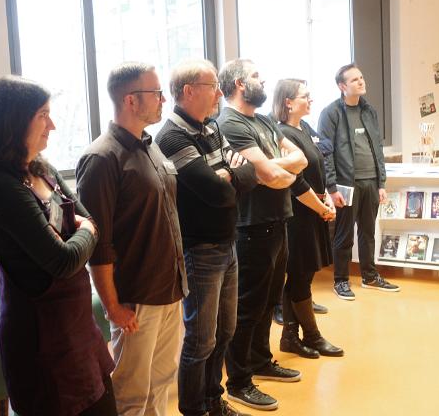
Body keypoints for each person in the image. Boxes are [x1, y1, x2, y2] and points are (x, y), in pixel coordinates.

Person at [0, 75, 115, 415]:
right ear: (14, 121)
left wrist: (85, 230)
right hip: (42, 340)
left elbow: (89, 221)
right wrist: (86, 231)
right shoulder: (1, 185)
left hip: (78, 329)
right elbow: (62, 260)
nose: (52, 125)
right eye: (43, 115)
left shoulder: (40, 167)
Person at [76, 62, 187, 416]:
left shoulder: (150, 147)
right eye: (156, 93)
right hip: (136, 299)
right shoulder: (101, 158)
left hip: (169, 289)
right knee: (131, 392)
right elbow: (99, 243)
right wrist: (112, 306)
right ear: (130, 100)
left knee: (161, 382)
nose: (163, 100)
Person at [155, 59, 257, 416]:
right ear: (189, 91)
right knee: (200, 340)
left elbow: (250, 174)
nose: (218, 94)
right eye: (212, 86)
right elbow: (216, 193)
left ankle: (214, 401)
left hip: (227, 243)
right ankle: (194, 409)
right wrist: (229, 174)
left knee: (225, 332)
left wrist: (229, 175)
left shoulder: (211, 127)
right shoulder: (171, 137)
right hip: (200, 250)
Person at [217, 59, 303, 412]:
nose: (262, 80)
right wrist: (275, 170)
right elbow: (270, 174)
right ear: (239, 83)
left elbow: (299, 160)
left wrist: (273, 169)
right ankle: (239, 382)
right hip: (250, 227)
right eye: (255, 76)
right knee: (247, 307)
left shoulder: (264, 120)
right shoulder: (230, 123)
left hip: (278, 221)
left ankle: (261, 361)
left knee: (269, 301)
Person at [271, 78, 344, 359]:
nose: (310, 99)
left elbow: (321, 162)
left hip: (314, 208)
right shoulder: (282, 133)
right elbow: (295, 181)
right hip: (299, 213)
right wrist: (320, 207)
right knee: (299, 275)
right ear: (288, 102)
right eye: (305, 96)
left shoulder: (305, 128)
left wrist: (326, 199)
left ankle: (291, 336)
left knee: (303, 276)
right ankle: (311, 336)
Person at [317, 63, 399, 300]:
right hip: (346, 185)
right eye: (354, 80)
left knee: (368, 232)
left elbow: (378, 148)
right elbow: (326, 153)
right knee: (344, 235)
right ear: (342, 86)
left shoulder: (369, 111)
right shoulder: (331, 113)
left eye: (361, 77)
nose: (361, 81)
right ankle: (341, 281)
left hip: (371, 181)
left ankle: (369, 276)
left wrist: (381, 183)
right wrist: (332, 187)